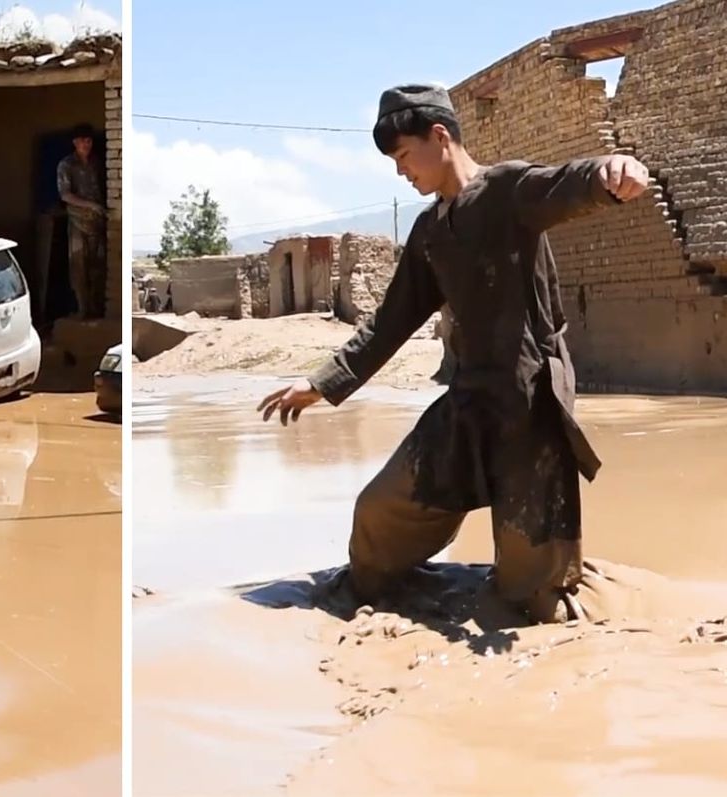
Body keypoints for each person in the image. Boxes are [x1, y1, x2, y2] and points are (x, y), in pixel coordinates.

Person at [257, 84, 651, 623]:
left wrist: (613, 170)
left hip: (528, 406)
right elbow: (391, 320)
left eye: (403, 156)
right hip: (467, 401)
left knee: (534, 600)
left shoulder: (506, 191)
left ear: (439, 137)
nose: (401, 173)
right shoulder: (428, 232)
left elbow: (565, 183)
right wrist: (323, 383)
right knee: (378, 518)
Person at [57, 122, 107, 319]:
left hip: (97, 224)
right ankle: (82, 309)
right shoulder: (67, 165)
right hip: (78, 222)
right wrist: (91, 205)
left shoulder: (96, 163)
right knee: (79, 268)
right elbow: (65, 195)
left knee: (97, 269)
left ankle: (95, 309)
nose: (86, 144)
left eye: (89, 141)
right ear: (75, 143)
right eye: (82, 141)